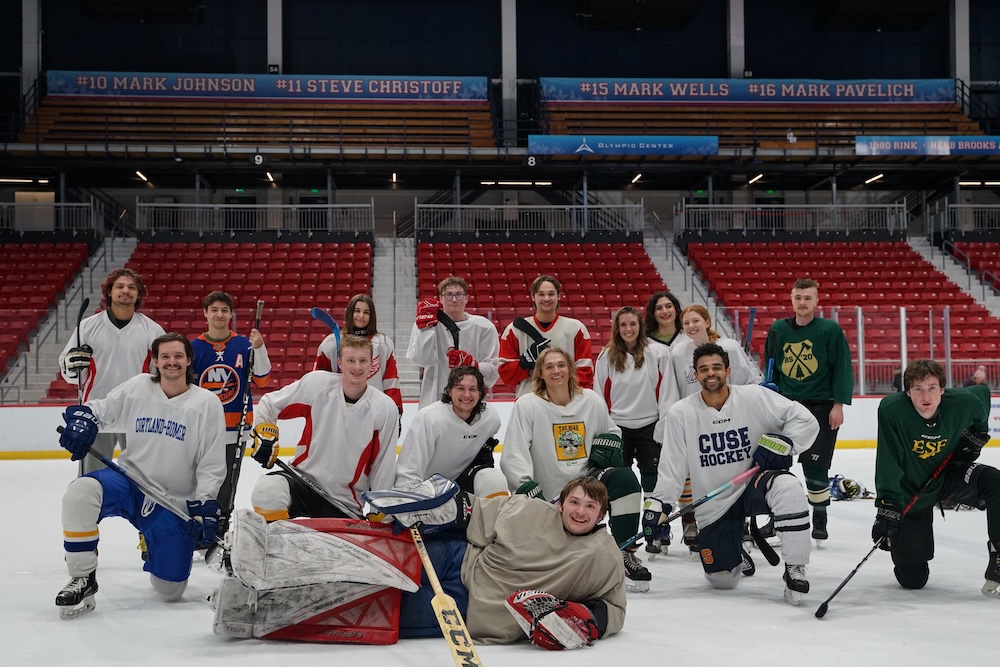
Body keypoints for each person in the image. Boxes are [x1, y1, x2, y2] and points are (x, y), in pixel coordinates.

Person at [55, 332, 228, 619]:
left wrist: (204, 508)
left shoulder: (206, 403)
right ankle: (83, 577)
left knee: (170, 591)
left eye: (178, 356)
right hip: (129, 482)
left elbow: (211, 463)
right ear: (156, 362)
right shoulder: (139, 386)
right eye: (165, 356)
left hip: (171, 500)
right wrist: (82, 420)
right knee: (80, 493)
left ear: (188, 360)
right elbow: (102, 409)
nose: (172, 362)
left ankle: (153, 539)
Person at [645, 342, 820, 605]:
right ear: (695, 374)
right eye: (703, 369)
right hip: (715, 501)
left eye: (716, 367)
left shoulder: (754, 397)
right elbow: (673, 467)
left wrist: (786, 443)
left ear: (728, 370)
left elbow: (805, 420)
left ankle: (795, 566)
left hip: (755, 484)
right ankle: (734, 549)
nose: (710, 373)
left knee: (788, 487)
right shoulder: (681, 413)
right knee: (722, 581)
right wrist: (659, 504)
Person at [365, 475, 626, 647]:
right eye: (574, 502)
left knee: (374, 609)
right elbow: (474, 510)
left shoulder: (604, 557)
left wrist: (584, 619)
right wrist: (425, 507)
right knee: (376, 558)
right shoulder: (530, 509)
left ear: (602, 514)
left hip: (470, 607)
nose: (580, 511)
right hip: (460, 557)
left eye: (590, 506)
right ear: (560, 504)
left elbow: (615, 608)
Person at [500, 347, 649, 591]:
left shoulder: (590, 400)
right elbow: (513, 454)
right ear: (540, 373)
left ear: (570, 369)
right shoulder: (528, 405)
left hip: (588, 482)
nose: (556, 370)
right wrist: (524, 485)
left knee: (625, 479)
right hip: (551, 494)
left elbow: (612, 432)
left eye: (561, 365)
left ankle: (624, 552)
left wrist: (608, 447)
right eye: (549, 366)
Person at [872, 359, 999, 597]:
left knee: (995, 481)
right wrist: (888, 506)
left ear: (942, 389)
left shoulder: (963, 402)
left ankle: (999, 556)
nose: (925, 396)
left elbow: (982, 394)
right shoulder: (892, 409)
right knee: (913, 579)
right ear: (907, 391)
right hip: (911, 492)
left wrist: (976, 436)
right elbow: (888, 460)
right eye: (918, 389)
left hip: (947, 474)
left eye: (931, 387)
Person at [249, 334, 399, 521]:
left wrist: (381, 510)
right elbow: (270, 403)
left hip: (344, 501)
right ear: (340, 362)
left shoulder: (384, 408)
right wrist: (265, 433)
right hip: (302, 480)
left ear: (372, 364)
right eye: (350, 360)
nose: (357, 367)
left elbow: (382, 465)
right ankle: (277, 545)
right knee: (267, 491)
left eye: (363, 361)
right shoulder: (318, 384)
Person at [763, 277, 852, 542]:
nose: (802, 303)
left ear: (816, 300)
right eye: (798, 298)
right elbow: (772, 367)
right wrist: (770, 401)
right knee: (777, 467)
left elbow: (842, 368)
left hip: (821, 408)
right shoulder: (778, 329)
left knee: (816, 467)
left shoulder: (829, 330)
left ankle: (820, 516)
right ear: (791, 299)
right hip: (787, 408)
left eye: (807, 298)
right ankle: (775, 518)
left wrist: (838, 405)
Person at [667, 304, 761, 553]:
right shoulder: (677, 353)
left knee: (734, 472)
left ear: (707, 322)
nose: (691, 326)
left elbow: (747, 383)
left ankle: (742, 522)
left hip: (729, 420)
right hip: (695, 421)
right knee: (690, 474)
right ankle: (691, 520)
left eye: (696, 320)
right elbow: (676, 389)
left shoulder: (729, 346)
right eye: (686, 323)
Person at [59, 268, 166, 474]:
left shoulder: (153, 331)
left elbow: (158, 378)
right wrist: (71, 366)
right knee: (92, 481)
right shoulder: (88, 327)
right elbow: (72, 374)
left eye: (131, 287)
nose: (125, 291)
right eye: (120, 286)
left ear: (138, 293)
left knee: (143, 481)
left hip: (138, 417)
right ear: (109, 292)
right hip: (95, 415)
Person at [191, 291, 271, 535]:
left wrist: (260, 348)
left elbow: (263, 380)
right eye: (214, 309)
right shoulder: (193, 347)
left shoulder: (244, 345)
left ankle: (220, 530)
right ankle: (194, 529)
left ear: (230, 314)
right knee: (195, 483)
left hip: (235, 431)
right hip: (201, 431)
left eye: (224, 310)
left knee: (226, 485)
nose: (219, 314)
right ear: (205, 313)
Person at [595, 306, 678, 494]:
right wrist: (604, 429)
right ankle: (623, 521)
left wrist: (663, 427)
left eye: (633, 324)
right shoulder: (605, 357)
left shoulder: (659, 352)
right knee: (620, 478)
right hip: (617, 427)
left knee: (652, 478)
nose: (628, 329)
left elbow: (668, 393)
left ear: (640, 326)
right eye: (623, 325)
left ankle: (653, 519)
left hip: (650, 426)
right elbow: (598, 396)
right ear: (617, 328)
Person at [395, 365, 508, 498]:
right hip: (427, 488)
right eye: (460, 388)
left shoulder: (491, 417)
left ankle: (493, 517)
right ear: (449, 391)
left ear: (480, 393)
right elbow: (408, 470)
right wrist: (406, 502)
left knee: (494, 479)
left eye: (472, 389)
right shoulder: (429, 418)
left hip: (462, 482)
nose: (466, 395)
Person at [406, 276, 500, 409]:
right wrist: (425, 330)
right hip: (434, 400)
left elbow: (492, 375)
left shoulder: (484, 326)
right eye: (449, 295)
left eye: (459, 295)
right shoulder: (427, 322)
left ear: (466, 298)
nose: (454, 299)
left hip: (470, 402)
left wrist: (474, 365)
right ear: (440, 299)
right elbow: (422, 360)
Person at [498, 275, 594, 397]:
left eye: (551, 294)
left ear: (559, 296)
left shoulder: (576, 329)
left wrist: (559, 388)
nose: (546, 298)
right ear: (533, 296)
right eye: (541, 294)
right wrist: (524, 363)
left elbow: (585, 372)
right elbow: (506, 376)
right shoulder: (514, 330)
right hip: (529, 402)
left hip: (567, 402)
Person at [314, 293, 403, 415]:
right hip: (338, 414)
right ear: (350, 313)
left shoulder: (383, 343)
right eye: (357, 311)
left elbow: (390, 380)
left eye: (366, 312)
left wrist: (395, 411)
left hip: (374, 412)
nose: (361, 316)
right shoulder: (331, 343)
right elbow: (319, 380)